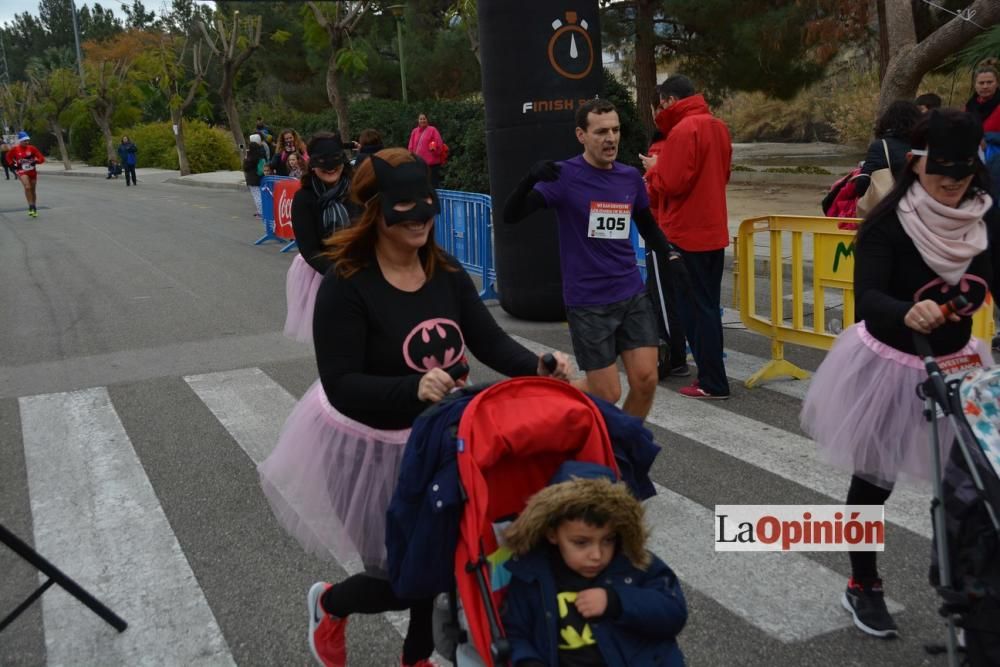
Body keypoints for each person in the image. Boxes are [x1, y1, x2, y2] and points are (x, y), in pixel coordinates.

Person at [257, 147, 572, 667]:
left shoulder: (445, 272)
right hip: (364, 445)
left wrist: (536, 363)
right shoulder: (346, 283)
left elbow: (488, 341)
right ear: (376, 210)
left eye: (427, 205)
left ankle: (417, 657)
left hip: (440, 439)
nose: (421, 219)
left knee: (446, 563)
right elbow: (341, 384)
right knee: (401, 580)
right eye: (406, 208)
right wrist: (412, 389)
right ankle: (330, 604)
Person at [800, 109, 999, 639]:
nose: (952, 190)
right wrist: (904, 312)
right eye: (941, 178)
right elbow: (867, 297)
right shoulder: (888, 221)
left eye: (963, 179)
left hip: (961, 365)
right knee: (873, 482)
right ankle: (863, 585)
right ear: (917, 165)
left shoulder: (987, 215)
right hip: (889, 361)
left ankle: (971, 597)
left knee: (973, 488)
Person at [504, 98, 674, 420]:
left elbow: (646, 224)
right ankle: (544, 397)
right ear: (581, 135)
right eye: (600, 132)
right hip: (588, 300)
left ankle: (622, 448)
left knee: (647, 380)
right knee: (607, 392)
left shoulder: (627, 177)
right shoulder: (564, 177)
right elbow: (510, 216)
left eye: (615, 130)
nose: (610, 138)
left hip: (630, 292)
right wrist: (528, 179)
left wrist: (670, 253)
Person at [501, 461, 687, 667]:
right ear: (552, 533)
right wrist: (529, 661)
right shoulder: (531, 575)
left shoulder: (634, 564)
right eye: (581, 543)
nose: (597, 555)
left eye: (608, 540)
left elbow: (673, 612)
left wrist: (617, 602)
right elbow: (516, 632)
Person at [641, 75, 733, 399]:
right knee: (708, 306)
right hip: (713, 230)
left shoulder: (683, 130)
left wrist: (654, 167)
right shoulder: (717, 126)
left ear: (668, 100)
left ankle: (711, 381)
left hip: (685, 232)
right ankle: (714, 377)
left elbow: (671, 184)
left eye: (661, 103)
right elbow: (724, 175)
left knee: (695, 310)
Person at [283, 134, 359, 343]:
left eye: (335, 161)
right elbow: (309, 249)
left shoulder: (356, 191)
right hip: (323, 272)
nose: (330, 167)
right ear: (312, 165)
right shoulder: (304, 198)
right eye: (323, 162)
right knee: (335, 341)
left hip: (360, 268)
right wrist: (341, 276)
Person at [644, 114, 690, 380]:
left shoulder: (659, 151)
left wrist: (649, 174)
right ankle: (676, 352)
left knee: (662, 298)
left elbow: (655, 194)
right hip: (682, 233)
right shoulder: (682, 149)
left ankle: (674, 357)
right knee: (674, 296)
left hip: (661, 232)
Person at [855, 100, 922, 198]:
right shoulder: (926, 145)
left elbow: (863, 183)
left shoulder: (881, 146)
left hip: (891, 204)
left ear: (887, 120)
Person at [5, 131, 45, 217]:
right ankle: (30, 206)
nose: (27, 142)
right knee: (27, 187)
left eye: (28, 140)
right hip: (21, 171)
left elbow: (41, 158)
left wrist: (36, 161)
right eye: (24, 141)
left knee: (33, 190)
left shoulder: (32, 148)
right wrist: (12, 164)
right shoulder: (15, 149)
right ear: (20, 141)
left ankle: (34, 206)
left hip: (32, 172)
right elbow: (8, 157)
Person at [407, 113, 445, 188]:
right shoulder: (415, 131)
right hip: (418, 164)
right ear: (418, 120)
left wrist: (434, 149)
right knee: (420, 186)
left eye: (424, 119)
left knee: (432, 186)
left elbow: (439, 144)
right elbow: (410, 146)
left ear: (427, 120)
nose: (422, 120)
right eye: (421, 119)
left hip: (431, 165)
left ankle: (433, 199)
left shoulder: (432, 130)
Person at [243, 133, 268, 217]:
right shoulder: (262, 151)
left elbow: (246, 167)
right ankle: (262, 210)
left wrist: (245, 160)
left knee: (256, 195)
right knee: (261, 194)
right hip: (261, 175)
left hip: (253, 177)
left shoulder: (252, 154)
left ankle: (261, 212)